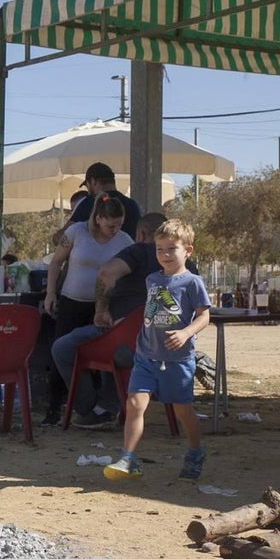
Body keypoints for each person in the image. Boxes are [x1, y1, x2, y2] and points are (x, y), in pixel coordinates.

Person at [104, 220, 211, 481]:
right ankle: (128, 458)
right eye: (159, 249)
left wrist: (186, 332)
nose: (164, 255)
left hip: (177, 359)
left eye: (170, 249)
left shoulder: (192, 282)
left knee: (182, 410)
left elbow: (205, 316)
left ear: (188, 250)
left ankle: (195, 452)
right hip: (146, 356)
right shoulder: (151, 279)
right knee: (134, 404)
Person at [50, 213, 172, 429]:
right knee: (111, 339)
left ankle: (92, 408)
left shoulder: (139, 252)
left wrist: (101, 309)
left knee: (64, 347)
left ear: (141, 234)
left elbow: (106, 273)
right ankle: (106, 406)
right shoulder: (184, 262)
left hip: (125, 343)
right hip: (167, 347)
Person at [42, 195, 133, 425]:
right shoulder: (76, 233)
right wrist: (50, 293)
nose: (115, 230)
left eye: (119, 225)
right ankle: (56, 407)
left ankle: (98, 408)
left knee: (102, 356)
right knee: (60, 352)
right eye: (111, 225)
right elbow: (55, 263)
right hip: (72, 301)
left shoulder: (124, 241)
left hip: (103, 307)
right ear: (99, 218)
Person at [53, 162, 141, 245]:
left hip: (93, 259)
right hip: (125, 258)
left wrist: (56, 238)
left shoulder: (89, 203)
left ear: (93, 181)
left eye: (87, 185)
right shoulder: (132, 205)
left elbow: (63, 236)